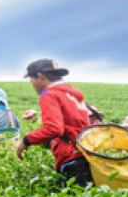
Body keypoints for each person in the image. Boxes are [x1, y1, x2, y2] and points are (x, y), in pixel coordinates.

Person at [15, 59, 93, 187]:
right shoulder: (72, 94)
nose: (32, 84)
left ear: (40, 76)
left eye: (31, 80)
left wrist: (26, 140)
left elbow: (54, 129)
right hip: (86, 153)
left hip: (70, 157)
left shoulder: (49, 94)